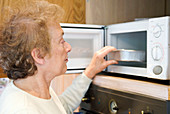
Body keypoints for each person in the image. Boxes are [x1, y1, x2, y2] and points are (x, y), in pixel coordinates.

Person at [0, 0, 118, 114]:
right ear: (39, 55)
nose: (68, 47)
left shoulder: (36, 89)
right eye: (61, 41)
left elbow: (62, 107)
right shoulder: (24, 110)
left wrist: (89, 72)